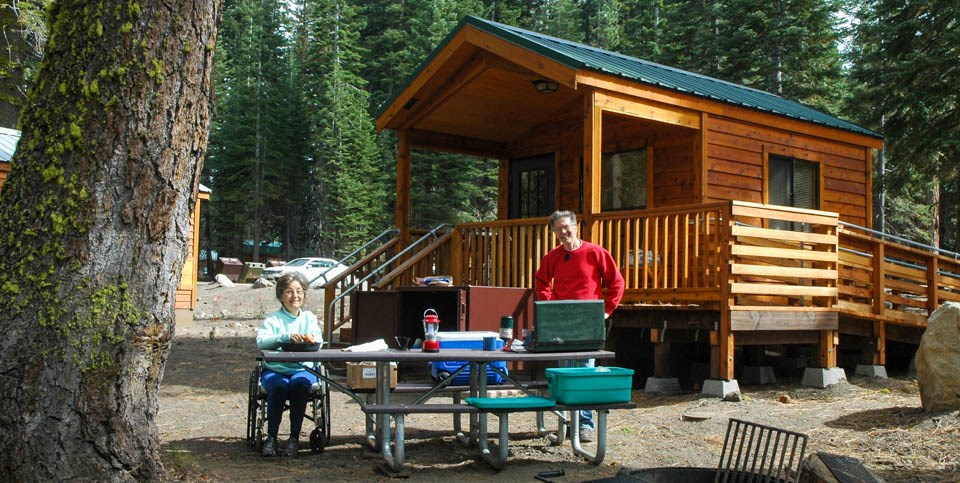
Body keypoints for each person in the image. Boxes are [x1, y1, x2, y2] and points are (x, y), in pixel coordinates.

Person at [534, 210, 625, 443]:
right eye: (558, 229)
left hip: (588, 320)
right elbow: (541, 282)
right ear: (554, 233)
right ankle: (564, 423)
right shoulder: (553, 257)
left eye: (566, 227)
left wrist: (607, 310)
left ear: (575, 227)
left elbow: (616, 281)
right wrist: (549, 306)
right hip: (561, 321)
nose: (563, 232)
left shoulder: (595, 252)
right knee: (564, 371)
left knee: (585, 370)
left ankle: (585, 425)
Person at [256, 272, 323, 457]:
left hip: (303, 368)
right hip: (276, 369)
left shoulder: (309, 318)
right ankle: (271, 438)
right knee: (278, 387)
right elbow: (261, 343)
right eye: (289, 291)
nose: (295, 296)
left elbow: (319, 341)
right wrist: (284, 337)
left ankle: (294, 439)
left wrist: (308, 340)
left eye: (299, 291)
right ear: (281, 295)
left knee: (300, 385)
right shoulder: (273, 319)